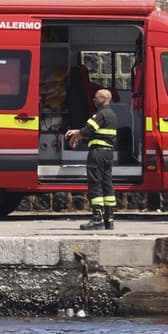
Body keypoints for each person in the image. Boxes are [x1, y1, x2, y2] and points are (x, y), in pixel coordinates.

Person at [64, 88, 117, 230]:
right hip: (108, 154)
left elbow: (87, 130)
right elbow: (96, 133)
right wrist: (78, 132)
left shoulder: (100, 114)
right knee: (107, 186)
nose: (94, 100)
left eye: (96, 97)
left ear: (103, 99)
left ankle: (97, 220)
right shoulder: (111, 115)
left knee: (95, 186)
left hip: (97, 154)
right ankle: (109, 220)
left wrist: (75, 137)